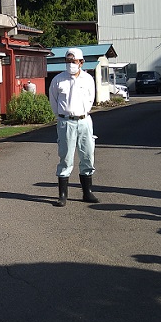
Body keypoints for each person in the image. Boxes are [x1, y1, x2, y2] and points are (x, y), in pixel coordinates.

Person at [49, 47, 99, 206]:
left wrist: (82, 112)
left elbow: (91, 98)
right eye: (68, 61)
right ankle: (62, 194)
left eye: (74, 61)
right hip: (65, 122)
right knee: (65, 157)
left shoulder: (88, 79)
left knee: (87, 155)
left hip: (84, 121)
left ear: (81, 62)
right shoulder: (58, 79)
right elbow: (53, 101)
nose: (70, 64)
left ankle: (87, 192)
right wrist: (62, 117)